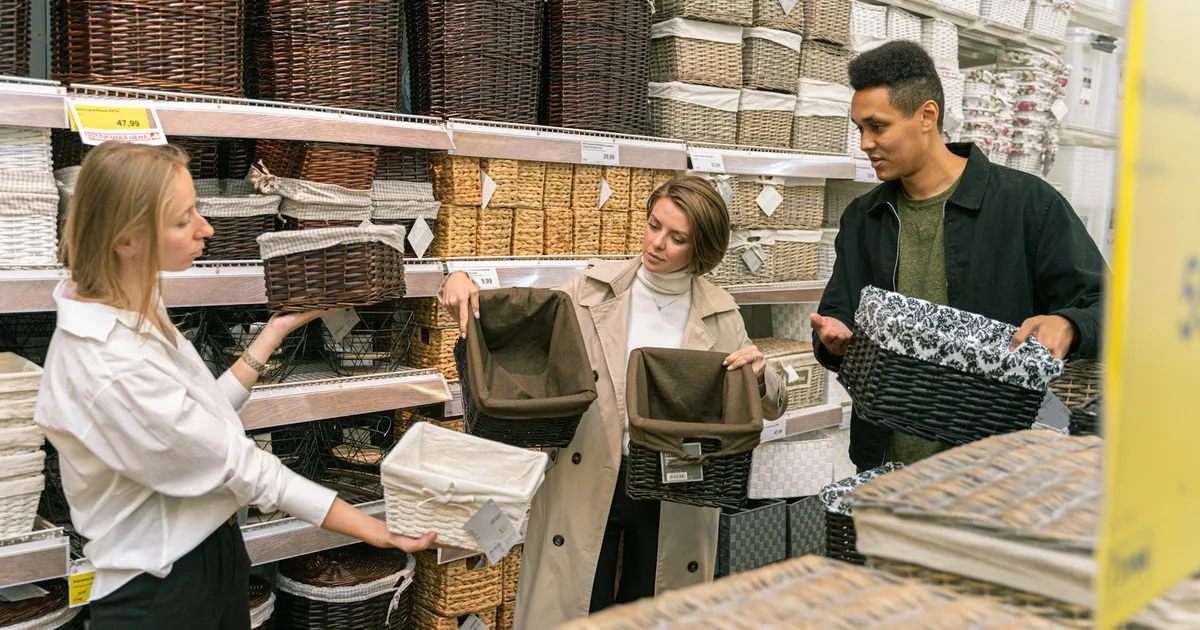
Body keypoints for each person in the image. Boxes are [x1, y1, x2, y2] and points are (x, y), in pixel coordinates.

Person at [33, 142, 437, 630]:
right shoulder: (106, 363)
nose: (206, 227)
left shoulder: (130, 306)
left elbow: (196, 424)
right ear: (126, 240)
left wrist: (275, 330)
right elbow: (242, 468)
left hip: (207, 557)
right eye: (184, 220)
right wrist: (375, 529)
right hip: (160, 592)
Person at [440, 176, 787, 627]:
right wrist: (459, 278)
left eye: (676, 237)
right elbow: (516, 316)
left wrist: (758, 378)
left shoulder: (721, 313)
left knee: (653, 610)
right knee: (578, 608)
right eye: (653, 225)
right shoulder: (589, 290)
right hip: (589, 472)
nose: (657, 243)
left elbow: (774, 402)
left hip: (676, 481)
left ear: (702, 249)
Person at [811, 41, 1108, 470]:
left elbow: (1109, 305)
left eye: (877, 127)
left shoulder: (1027, 204)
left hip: (996, 470)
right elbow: (837, 314)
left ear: (927, 116)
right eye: (859, 128)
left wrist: (1067, 324)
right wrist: (833, 342)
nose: (865, 143)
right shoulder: (864, 217)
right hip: (885, 466)